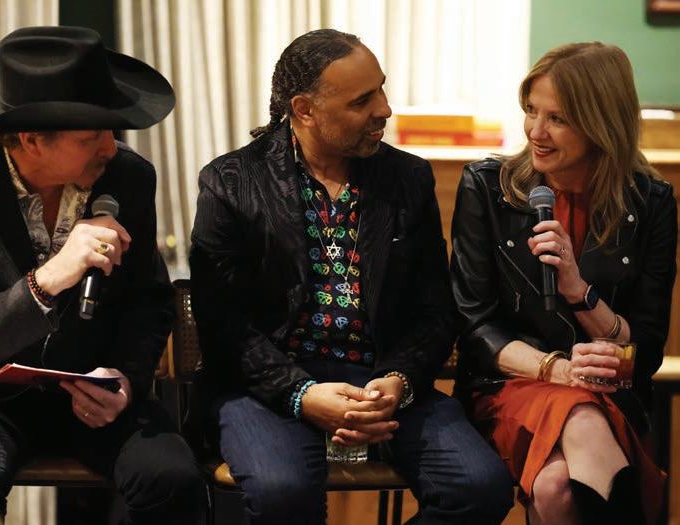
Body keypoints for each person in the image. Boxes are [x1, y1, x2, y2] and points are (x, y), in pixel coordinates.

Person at [190, 28, 513, 524]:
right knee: (282, 493)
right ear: (304, 110)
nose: (385, 109)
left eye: (381, 89)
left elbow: (435, 309)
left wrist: (398, 381)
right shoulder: (232, 182)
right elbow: (222, 324)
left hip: (381, 379)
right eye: (362, 101)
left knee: (481, 487)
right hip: (269, 384)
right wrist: (300, 394)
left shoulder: (408, 179)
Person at [0, 26, 204, 523]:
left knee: (172, 477)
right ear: (32, 140)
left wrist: (125, 378)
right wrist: (49, 278)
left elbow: (148, 302)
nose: (110, 148)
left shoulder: (130, 177)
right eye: (91, 136)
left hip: (94, 385)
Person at [450, 42, 676, 525]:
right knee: (580, 415)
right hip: (508, 384)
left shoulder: (651, 203)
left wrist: (578, 291)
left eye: (558, 118)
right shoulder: (487, 188)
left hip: (609, 395)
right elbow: (473, 326)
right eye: (531, 111)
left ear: (600, 123)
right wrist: (556, 369)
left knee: (555, 487)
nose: (536, 131)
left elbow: (645, 350)